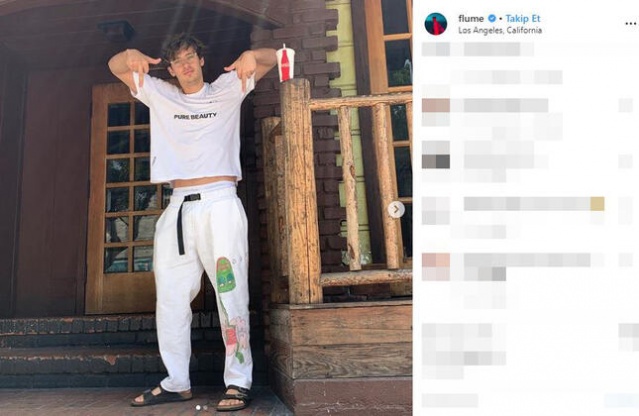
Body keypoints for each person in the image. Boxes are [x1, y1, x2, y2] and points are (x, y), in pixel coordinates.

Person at [107, 33, 276, 412]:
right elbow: (115, 66)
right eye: (177, 61)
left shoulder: (227, 89)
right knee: (170, 298)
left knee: (230, 293)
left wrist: (253, 54)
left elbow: (275, 57)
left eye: (190, 57)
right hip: (178, 208)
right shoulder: (161, 94)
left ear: (201, 60)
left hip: (220, 203)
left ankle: (238, 381)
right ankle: (176, 381)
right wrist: (129, 54)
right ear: (170, 69)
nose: (185, 65)